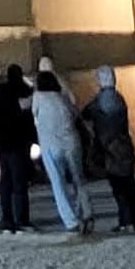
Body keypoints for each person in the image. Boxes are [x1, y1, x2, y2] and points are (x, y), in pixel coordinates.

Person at [79, 69, 135, 235]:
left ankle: (126, 220)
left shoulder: (101, 101)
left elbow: (85, 114)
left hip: (110, 149)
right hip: (124, 146)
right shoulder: (119, 99)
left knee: (119, 187)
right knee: (130, 184)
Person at [28, 68, 88, 234]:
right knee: (78, 179)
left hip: (51, 145)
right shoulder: (62, 97)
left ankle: (71, 221)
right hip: (71, 142)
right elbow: (75, 114)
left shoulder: (38, 98)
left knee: (58, 183)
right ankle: (86, 212)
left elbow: (34, 115)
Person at [0, 67, 38, 233]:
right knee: (19, 183)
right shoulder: (19, 92)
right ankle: (21, 219)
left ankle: (7, 219)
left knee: (6, 182)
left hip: (2, 144)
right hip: (16, 142)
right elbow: (26, 115)